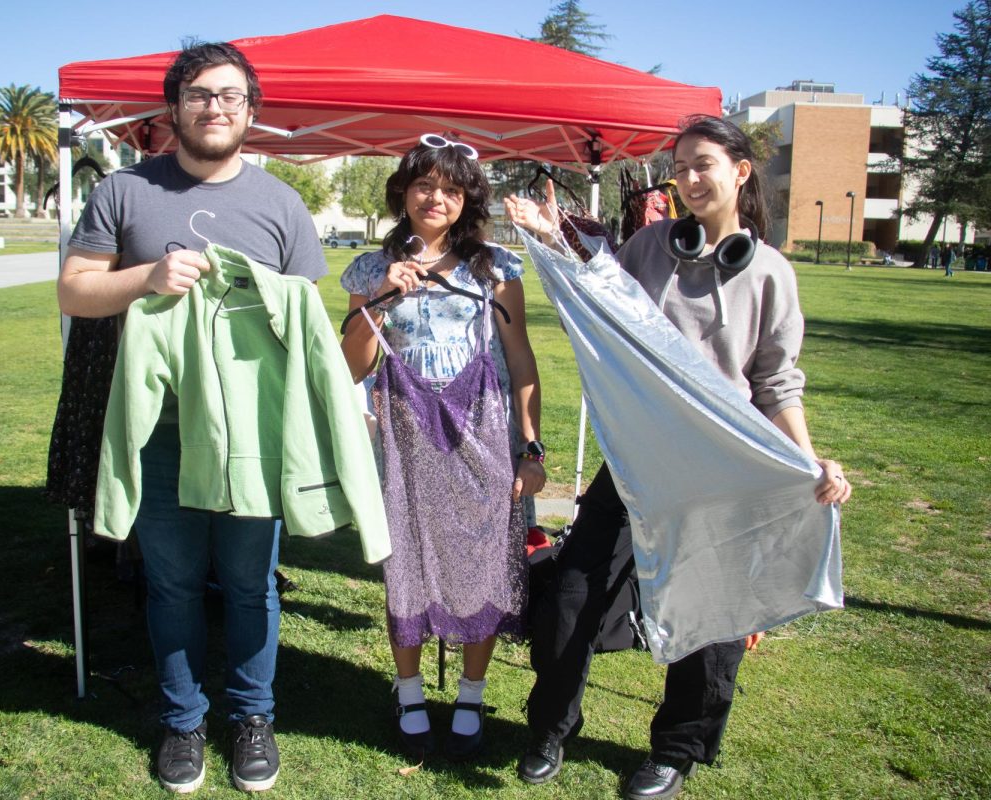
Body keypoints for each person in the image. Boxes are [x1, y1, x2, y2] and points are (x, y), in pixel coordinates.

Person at [506, 115, 852, 799]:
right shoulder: (649, 246)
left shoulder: (773, 275)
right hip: (637, 460)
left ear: (740, 172)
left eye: (704, 165)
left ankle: (677, 751)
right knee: (573, 592)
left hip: (720, 473)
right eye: (681, 168)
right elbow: (602, 298)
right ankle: (549, 728)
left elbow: (778, 384)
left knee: (715, 611)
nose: (690, 180)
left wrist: (809, 462)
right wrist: (554, 243)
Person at [56, 41, 327, 794]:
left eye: (232, 96)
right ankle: (182, 724)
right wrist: (147, 277)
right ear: (173, 107)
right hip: (158, 429)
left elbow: (305, 327)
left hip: (256, 436)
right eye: (202, 94)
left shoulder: (281, 204)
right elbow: (74, 292)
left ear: (251, 111)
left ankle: (253, 718)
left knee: (251, 585)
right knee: (171, 585)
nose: (216, 107)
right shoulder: (123, 192)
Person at [339, 135, 546, 760]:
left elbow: (520, 358)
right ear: (403, 191)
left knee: (482, 559)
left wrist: (531, 448)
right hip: (405, 438)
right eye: (425, 185)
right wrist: (382, 301)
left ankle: (472, 695)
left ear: (467, 199)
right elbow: (350, 366)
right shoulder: (372, 271)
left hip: (483, 435)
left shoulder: (495, 269)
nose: (437, 198)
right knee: (405, 562)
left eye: (451, 190)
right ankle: (407, 694)